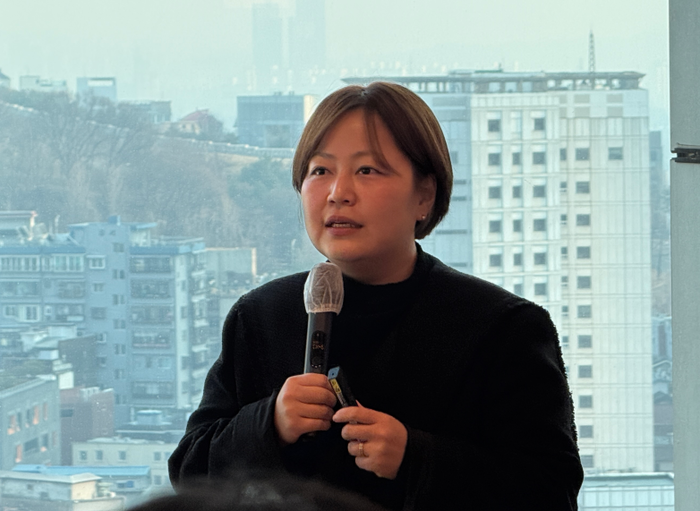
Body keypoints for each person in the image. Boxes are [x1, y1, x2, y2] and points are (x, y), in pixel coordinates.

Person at [168, 82, 584, 510]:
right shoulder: (260, 316)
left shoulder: (504, 327)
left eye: (367, 170)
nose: (338, 193)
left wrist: (415, 458)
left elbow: (551, 490)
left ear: (424, 195)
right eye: (320, 171)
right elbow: (189, 473)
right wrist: (267, 423)